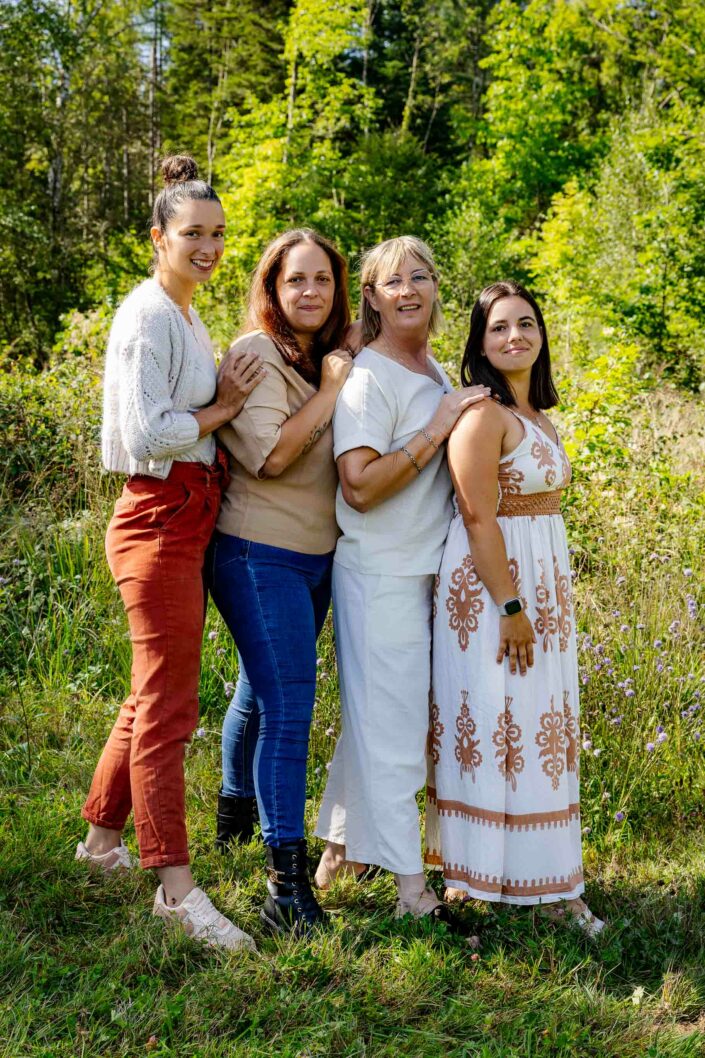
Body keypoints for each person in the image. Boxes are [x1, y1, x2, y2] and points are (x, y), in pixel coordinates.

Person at [77, 155, 263, 953]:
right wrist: (223, 404)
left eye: (219, 234)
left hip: (188, 513)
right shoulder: (150, 313)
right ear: (158, 238)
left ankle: (99, 845)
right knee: (168, 708)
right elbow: (150, 430)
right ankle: (175, 888)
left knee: (148, 694)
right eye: (194, 233)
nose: (210, 246)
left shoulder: (187, 312)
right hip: (157, 514)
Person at [313, 236, 490, 922]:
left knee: (384, 721)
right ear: (373, 296)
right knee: (393, 727)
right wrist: (436, 428)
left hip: (430, 572)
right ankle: (410, 890)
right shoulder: (370, 378)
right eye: (393, 281)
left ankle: (335, 850)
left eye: (421, 275)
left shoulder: (432, 366)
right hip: (381, 571)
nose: (409, 288)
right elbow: (357, 487)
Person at [424, 281, 604, 936]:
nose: (514, 337)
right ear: (479, 342)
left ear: (541, 334)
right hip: (492, 589)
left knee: (539, 723)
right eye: (498, 328)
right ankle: (516, 881)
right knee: (509, 723)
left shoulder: (537, 415)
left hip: (540, 583)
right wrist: (509, 605)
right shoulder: (482, 416)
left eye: (525, 324)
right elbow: (475, 513)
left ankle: (534, 874)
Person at [209, 228, 353, 933]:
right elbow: (268, 456)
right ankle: (284, 890)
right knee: (291, 706)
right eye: (295, 280)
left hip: (316, 556)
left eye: (322, 280)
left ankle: (234, 809)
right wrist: (330, 390)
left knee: (258, 694)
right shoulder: (255, 355)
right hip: (255, 551)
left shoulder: (329, 354)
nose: (309, 292)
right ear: (271, 288)